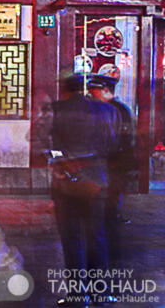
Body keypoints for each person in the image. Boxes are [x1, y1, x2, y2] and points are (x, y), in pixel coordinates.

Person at [50, 73, 112, 282]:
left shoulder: (58, 110)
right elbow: (111, 143)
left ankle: (77, 293)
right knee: (97, 235)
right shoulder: (105, 110)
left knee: (71, 237)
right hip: (95, 180)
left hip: (66, 180)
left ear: (65, 90)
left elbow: (48, 144)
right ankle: (101, 291)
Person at [88, 72, 138, 268]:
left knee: (108, 216)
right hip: (104, 171)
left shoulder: (117, 111)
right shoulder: (105, 109)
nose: (91, 94)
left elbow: (122, 143)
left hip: (113, 170)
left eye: (95, 90)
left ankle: (110, 259)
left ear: (106, 91)